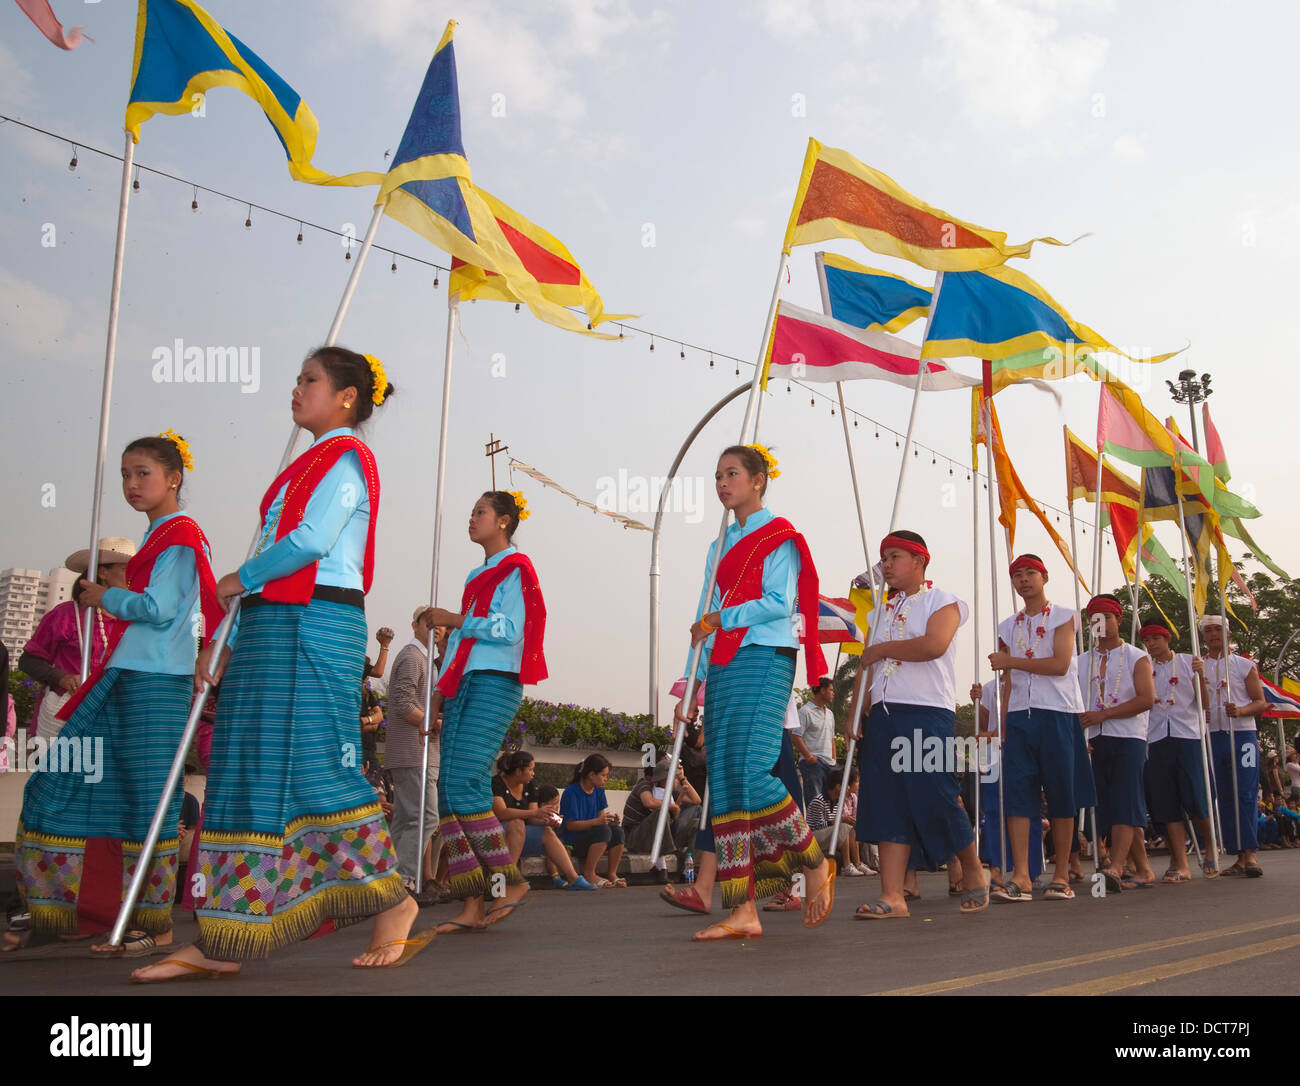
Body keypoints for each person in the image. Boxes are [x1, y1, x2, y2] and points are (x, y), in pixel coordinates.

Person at [130, 348, 429, 982]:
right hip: (272, 622)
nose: (296, 389)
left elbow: (311, 543)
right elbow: (273, 548)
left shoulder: (349, 458)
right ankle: (224, 939)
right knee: (246, 769)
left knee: (314, 767)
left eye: (310, 380)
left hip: (317, 621)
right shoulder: (304, 466)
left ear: (346, 396)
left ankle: (395, 898)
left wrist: (240, 579)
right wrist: (227, 638)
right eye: (297, 379)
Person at [12, 432, 221, 957]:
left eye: (143, 472)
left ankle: (154, 922)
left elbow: (160, 609)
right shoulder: (160, 536)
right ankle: (69, 910)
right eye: (126, 474)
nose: (132, 483)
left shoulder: (180, 535)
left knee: (147, 804)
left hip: (156, 683)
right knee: (59, 784)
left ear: (173, 478)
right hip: (127, 678)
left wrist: (106, 596)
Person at [674, 444, 834, 941]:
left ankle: (813, 862)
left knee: (749, 771)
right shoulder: (719, 542)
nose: (723, 483)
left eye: (733, 474)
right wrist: (691, 687)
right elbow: (704, 616)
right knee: (724, 782)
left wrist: (724, 618)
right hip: (722, 660)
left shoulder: (779, 535)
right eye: (718, 475)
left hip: (765, 654)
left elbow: (777, 602)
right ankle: (743, 910)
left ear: (759, 480)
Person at [418, 488, 547, 933]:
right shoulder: (478, 575)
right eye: (471, 512)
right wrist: (437, 694)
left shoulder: (516, 567)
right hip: (464, 683)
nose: (472, 519)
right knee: (450, 791)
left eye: (480, 513)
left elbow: (509, 630)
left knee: (466, 782)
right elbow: (459, 645)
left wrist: (454, 619)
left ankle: (508, 883)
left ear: (504, 521)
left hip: (497, 682)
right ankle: (474, 899)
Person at [852, 531, 987, 918]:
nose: (887, 565)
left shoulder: (942, 600)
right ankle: (893, 895)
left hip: (927, 712)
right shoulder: (878, 612)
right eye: (884, 559)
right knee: (886, 800)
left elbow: (934, 645)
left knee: (935, 795)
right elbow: (866, 666)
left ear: (920, 560)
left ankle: (975, 872)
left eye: (895, 556)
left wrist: (882, 649)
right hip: (884, 714)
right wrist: (856, 711)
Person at [988, 555, 1096, 903]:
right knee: (1019, 793)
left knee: (1062, 792)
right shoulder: (1007, 626)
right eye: (1017, 574)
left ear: (1044, 576)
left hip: (1058, 713)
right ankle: (1021, 875)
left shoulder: (1064, 617)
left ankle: (1062, 873)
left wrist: (1011, 662)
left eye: (1030, 573)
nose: (1024, 579)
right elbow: (1006, 683)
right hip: (1020, 715)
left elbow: (1061, 664)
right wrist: (1003, 722)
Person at [1079, 595, 1156, 891]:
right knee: (1110, 804)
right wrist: (1079, 734)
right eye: (1093, 618)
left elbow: (1146, 699)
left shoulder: (1137, 656)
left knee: (1126, 800)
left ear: (1119, 619)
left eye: (1106, 617)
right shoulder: (1081, 661)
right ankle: (1145, 869)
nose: (1100, 623)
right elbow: (1073, 703)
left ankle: (1116, 866)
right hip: (1095, 740)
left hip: (1128, 737)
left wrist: (1104, 715)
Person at [19, 539, 133, 740]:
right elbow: (28, 661)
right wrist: (62, 678)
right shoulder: (67, 616)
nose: (133, 575)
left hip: (115, 719)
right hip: (66, 716)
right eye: (126, 569)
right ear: (102, 572)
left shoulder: (134, 620)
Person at [1139, 623, 1217, 881]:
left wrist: (1201, 677)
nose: (1151, 644)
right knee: (1166, 801)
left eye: (1155, 639)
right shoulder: (1144, 667)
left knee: (1195, 796)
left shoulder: (1188, 662)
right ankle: (1181, 863)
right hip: (1156, 738)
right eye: (1147, 640)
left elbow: (1204, 704)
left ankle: (1210, 846)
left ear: (1167, 639)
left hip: (1187, 736)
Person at [1199, 615, 1268, 878]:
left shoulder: (1244, 665)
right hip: (1211, 736)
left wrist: (1240, 711)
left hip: (1242, 736)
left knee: (1246, 794)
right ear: (1203, 636)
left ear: (1227, 632)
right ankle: (1236, 854)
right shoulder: (1199, 665)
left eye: (1218, 629)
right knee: (1223, 796)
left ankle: (1250, 853)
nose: (1214, 634)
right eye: (1208, 630)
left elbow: (1260, 702)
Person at [385, 607, 444, 904]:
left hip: (417, 750)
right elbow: (403, 703)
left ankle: (391, 881)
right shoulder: (412, 656)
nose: (438, 629)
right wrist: (433, 723)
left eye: (442, 625)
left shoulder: (424, 659)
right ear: (415, 625)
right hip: (413, 750)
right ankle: (404, 881)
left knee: (409, 818)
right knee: (426, 816)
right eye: (430, 623)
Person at [492, 751, 594, 890]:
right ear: (518, 771)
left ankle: (573, 878)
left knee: (547, 831)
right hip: (497, 834)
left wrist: (546, 820)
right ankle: (511, 877)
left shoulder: (529, 785)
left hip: (521, 833)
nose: (533, 773)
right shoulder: (497, 783)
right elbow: (501, 813)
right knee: (517, 822)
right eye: (530, 769)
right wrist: (534, 812)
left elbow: (533, 819)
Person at [622, 757, 702, 881]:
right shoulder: (645, 785)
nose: (676, 781)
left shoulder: (670, 791)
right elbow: (649, 802)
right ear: (664, 779)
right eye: (674, 778)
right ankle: (662, 867)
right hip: (637, 837)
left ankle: (688, 868)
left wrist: (682, 778)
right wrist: (673, 807)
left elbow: (696, 800)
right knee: (661, 812)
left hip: (661, 838)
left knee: (697, 824)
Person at [561, 753, 627, 888]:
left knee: (617, 831)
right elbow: (570, 825)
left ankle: (612, 873)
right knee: (603, 831)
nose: (605, 779)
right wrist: (597, 822)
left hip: (592, 835)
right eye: (603, 775)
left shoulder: (599, 791)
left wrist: (610, 821)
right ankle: (589, 873)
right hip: (574, 840)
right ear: (591, 775)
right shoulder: (571, 792)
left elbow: (601, 818)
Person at [794, 676, 837, 810]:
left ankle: (829, 830)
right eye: (831, 690)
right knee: (815, 801)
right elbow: (795, 736)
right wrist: (809, 757)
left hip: (830, 764)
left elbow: (832, 738)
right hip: (813, 764)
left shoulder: (830, 714)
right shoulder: (805, 711)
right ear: (822, 691)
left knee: (831, 802)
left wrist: (834, 759)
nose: (833, 693)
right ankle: (815, 831)